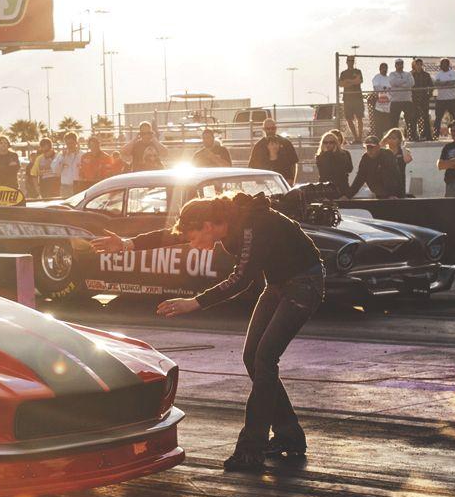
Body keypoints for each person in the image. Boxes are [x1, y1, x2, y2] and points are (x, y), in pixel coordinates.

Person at [93, 194, 323, 471]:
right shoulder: (225, 222)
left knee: (264, 359)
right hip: (278, 286)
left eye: (193, 236)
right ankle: (289, 437)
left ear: (208, 226)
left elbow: (241, 280)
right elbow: (171, 235)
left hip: (304, 284)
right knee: (253, 357)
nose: (191, 243)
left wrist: (194, 302)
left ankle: (252, 448)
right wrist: (127, 244)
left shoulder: (252, 225)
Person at [349, 128, 409, 199]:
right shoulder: (365, 158)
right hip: (379, 193)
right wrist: (348, 195)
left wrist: (392, 194)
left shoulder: (387, 154)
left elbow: (393, 175)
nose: (369, 150)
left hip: (395, 193)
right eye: (367, 147)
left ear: (378, 147)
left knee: (385, 172)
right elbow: (359, 178)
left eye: (372, 147)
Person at [248, 117, 300, 182]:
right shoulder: (259, 146)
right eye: (268, 129)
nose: (270, 131)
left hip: (284, 180)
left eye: (273, 128)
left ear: (276, 128)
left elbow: (294, 163)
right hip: (265, 182)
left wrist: (292, 180)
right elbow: (253, 167)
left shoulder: (286, 143)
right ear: (264, 129)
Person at [313, 129, 352, 197]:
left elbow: (348, 169)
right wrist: (327, 154)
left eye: (331, 142)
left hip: (342, 189)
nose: (328, 144)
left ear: (335, 143)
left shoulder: (344, 154)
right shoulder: (320, 156)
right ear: (322, 143)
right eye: (325, 142)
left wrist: (336, 155)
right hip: (326, 189)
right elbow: (325, 172)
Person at [337, 56, 366, 144]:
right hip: (347, 98)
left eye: (352, 60)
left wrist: (348, 82)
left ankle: (359, 138)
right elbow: (341, 84)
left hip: (357, 97)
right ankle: (355, 137)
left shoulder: (358, 71)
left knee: (359, 118)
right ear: (346, 62)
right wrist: (353, 81)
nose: (351, 62)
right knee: (349, 119)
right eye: (349, 60)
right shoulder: (343, 73)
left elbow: (359, 81)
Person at [385, 59, 413, 139]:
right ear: (395, 65)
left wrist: (399, 84)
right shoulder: (392, 74)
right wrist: (405, 83)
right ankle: (394, 138)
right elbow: (393, 82)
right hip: (395, 101)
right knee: (393, 122)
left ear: (403, 65)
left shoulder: (408, 74)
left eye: (401, 64)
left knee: (410, 120)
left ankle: (411, 136)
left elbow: (411, 83)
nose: (399, 66)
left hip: (407, 100)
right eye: (398, 64)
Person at [51, 133, 82, 197]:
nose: (70, 145)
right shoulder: (61, 155)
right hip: (65, 186)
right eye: (68, 143)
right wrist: (62, 157)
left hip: (78, 186)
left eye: (72, 143)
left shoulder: (81, 155)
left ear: (76, 142)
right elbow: (55, 170)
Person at [408, 57, 432, 140]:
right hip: (414, 99)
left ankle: (428, 136)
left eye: (420, 64)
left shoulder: (426, 75)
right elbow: (408, 86)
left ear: (422, 65)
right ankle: (414, 136)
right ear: (414, 65)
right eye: (417, 64)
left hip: (424, 99)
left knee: (425, 117)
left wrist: (429, 95)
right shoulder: (411, 75)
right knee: (414, 118)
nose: (418, 66)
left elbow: (431, 86)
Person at [370, 62, 392, 136]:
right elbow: (376, 88)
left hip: (387, 105)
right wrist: (385, 88)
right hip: (378, 104)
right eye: (383, 68)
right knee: (378, 124)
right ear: (380, 69)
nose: (384, 70)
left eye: (386, 68)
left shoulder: (389, 78)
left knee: (387, 124)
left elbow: (391, 89)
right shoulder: (377, 77)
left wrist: (384, 88)